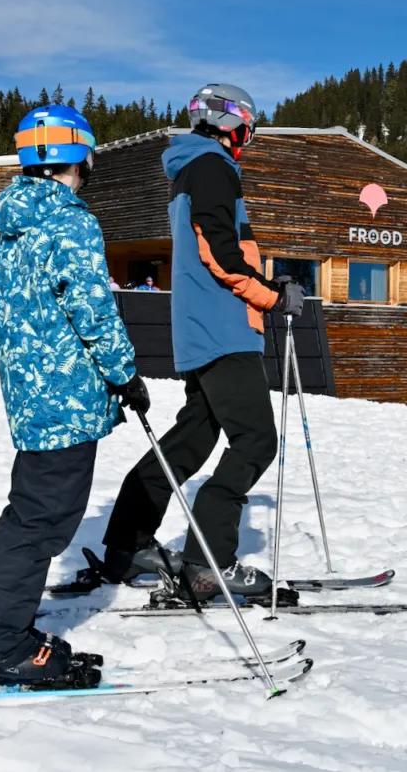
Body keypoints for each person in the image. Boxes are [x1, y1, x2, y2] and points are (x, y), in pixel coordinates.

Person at [0, 103, 149, 692]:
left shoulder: (14, 225)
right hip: (66, 399)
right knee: (38, 520)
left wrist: (20, 367)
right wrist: (124, 374)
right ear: (80, 158)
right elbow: (93, 308)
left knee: (34, 513)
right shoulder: (69, 222)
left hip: (35, 397)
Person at [97, 83, 305, 600]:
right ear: (233, 123)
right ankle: (208, 563)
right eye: (248, 130)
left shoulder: (193, 167)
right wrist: (271, 298)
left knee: (192, 439)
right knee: (256, 441)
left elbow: (218, 247)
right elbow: (219, 250)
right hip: (223, 328)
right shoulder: (213, 166)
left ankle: (127, 544)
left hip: (201, 326)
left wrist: (269, 284)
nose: (248, 139)